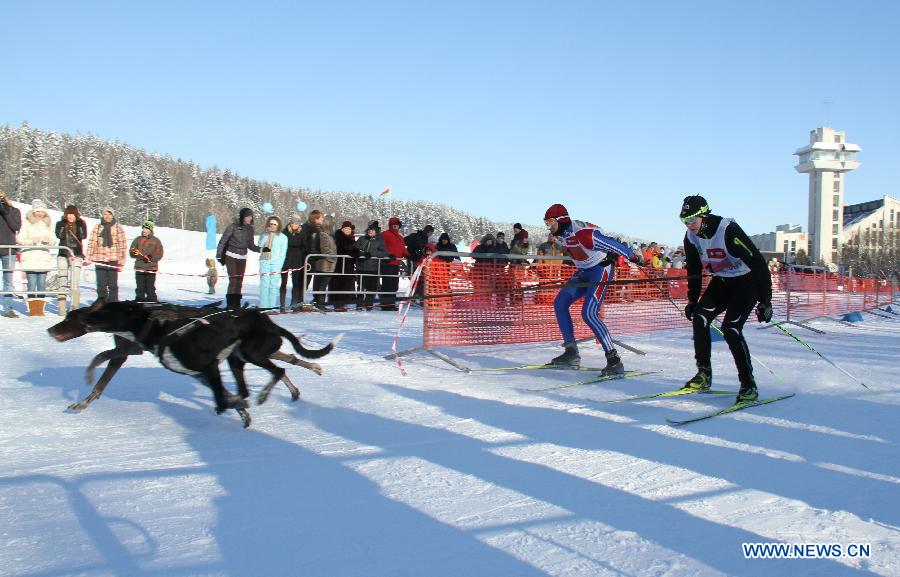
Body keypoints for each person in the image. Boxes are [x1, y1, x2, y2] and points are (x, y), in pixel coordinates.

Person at [680, 195, 773, 403]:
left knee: (731, 328)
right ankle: (703, 374)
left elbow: (758, 263)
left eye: (692, 221)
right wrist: (692, 300)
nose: (689, 225)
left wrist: (765, 300)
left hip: (746, 282)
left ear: (704, 216)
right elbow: (694, 270)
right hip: (723, 281)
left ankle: (748, 384)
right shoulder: (691, 236)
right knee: (700, 317)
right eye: (684, 221)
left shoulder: (726, 230)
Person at [543, 203, 635, 375]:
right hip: (584, 272)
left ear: (561, 220)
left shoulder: (582, 233)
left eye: (550, 222)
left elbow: (611, 243)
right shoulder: (561, 233)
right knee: (560, 303)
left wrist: (633, 256)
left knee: (589, 313)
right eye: (546, 223)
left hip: (600, 270)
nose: (548, 226)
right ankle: (571, 352)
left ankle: (614, 360)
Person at [17, 199, 57, 316]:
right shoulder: (26, 223)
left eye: (42, 211)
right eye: (38, 211)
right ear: (34, 211)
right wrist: (31, 241)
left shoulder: (47, 223)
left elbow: (53, 239)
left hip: (43, 258)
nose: (40, 213)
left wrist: (49, 241)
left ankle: (39, 309)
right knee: (32, 283)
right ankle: (32, 309)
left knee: (41, 284)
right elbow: (20, 238)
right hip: (31, 257)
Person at [216, 207, 260, 309]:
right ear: (242, 216)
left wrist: (261, 249)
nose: (249, 218)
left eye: (250, 216)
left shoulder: (250, 229)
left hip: (243, 257)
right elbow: (223, 241)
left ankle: (236, 304)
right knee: (233, 281)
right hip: (231, 255)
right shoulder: (233, 226)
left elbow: (251, 245)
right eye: (247, 216)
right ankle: (230, 304)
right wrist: (219, 255)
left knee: (239, 281)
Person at [86, 207, 127, 303]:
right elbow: (92, 242)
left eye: (109, 214)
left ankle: (113, 304)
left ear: (112, 215)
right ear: (102, 215)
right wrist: (88, 257)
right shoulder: (98, 227)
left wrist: (121, 262)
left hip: (113, 259)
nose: (107, 216)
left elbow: (122, 245)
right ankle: (102, 304)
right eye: (105, 214)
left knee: (113, 284)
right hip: (99, 258)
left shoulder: (118, 228)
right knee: (101, 284)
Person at [55, 205, 87, 312]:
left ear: (76, 215)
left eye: (73, 214)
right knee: (62, 279)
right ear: (65, 214)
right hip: (63, 253)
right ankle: (62, 307)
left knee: (75, 281)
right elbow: (59, 236)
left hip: (76, 254)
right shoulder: (60, 224)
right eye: (69, 214)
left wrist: (79, 225)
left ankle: (75, 306)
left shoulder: (81, 224)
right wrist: (64, 227)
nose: (70, 216)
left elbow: (83, 236)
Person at [355, 220, 388, 310]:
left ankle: (369, 305)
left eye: (372, 230)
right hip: (361, 267)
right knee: (361, 287)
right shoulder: (362, 239)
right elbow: (355, 250)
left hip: (373, 268)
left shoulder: (380, 240)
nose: (370, 231)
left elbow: (384, 253)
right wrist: (363, 254)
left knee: (371, 288)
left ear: (376, 231)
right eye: (369, 229)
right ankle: (359, 305)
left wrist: (372, 254)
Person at [257, 215, 288, 310]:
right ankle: (263, 306)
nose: (272, 226)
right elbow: (260, 245)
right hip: (264, 261)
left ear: (278, 226)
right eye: (271, 224)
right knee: (264, 285)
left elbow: (283, 253)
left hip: (276, 264)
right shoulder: (264, 234)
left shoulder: (283, 237)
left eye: (275, 224)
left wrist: (279, 265)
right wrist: (266, 235)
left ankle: (271, 306)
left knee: (273, 286)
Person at [129, 219, 164, 302]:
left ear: (150, 229)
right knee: (140, 289)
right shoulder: (137, 239)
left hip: (151, 269)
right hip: (139, 267)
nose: (144, 230)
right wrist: (137, 254)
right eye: (143, 228)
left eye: (146, 228)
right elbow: (132, 251)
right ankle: (139, 304)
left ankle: (152, 305)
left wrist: (151, 257)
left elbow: (160, 254)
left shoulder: (156, 241)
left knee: (150, 289)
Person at [0, 190, 22, 318]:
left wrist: (5, 210)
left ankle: (8, 309)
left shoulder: (14, 211)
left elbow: (15, 226)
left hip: (9, 249)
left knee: (8, 280)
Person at [308, 212, 337, 309]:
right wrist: (333, 258)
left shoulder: (329, 235)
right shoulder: (324, 234)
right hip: (325, 265)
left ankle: (318, 302)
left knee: (322, 284)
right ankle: (320, 303)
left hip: (327, 264)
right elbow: (325, 249)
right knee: (322, 284)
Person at [381, 217, 409, 311]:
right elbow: (380, 247)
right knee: (387, 284)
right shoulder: (385, 234)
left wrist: (409, 256)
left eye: (397, 224)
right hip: (387, 263)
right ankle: (385, 304)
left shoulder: (400, 237)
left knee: (394, 285)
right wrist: (387, 255)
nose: (396, 226)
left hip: (396, 263)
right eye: (394, 224)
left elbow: (403, 250)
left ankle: (391, 303)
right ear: (390, 225)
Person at [330, 220, 359, 309]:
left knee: (346, 284)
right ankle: (338, 303)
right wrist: (353, 251)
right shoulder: (338, 237)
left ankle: (343, 302)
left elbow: (353, 249)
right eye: (345, 228)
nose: (347, 230)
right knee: (339, 284)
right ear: (342, 229)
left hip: (348, 264)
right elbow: (343, 249)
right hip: (339, 264)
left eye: (349, 229)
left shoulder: (351, 238)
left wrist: (356, 252)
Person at [280, 213, 306, 310]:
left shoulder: (302, 232)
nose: (294, 225)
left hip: (297, 259)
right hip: (286, 258)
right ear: (290, 223)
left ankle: (294, 303)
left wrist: (302, 250)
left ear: (299, 224)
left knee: (296, 283)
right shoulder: (285, 232)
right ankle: (282, 304)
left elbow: (305, 245)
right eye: (293, 223)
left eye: (296, 223)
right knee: (284, 282)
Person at [404, 224, 434, 298]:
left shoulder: (426, 239)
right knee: (413, 276)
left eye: (431, 233)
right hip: (413, 259)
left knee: (420, 277)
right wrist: (411, 252)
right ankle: (415, 293)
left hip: (421, 260)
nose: (430, 234)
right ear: (426, 231)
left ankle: (418, 294)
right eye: (429, 232)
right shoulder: (415, 236)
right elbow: (404, 241)